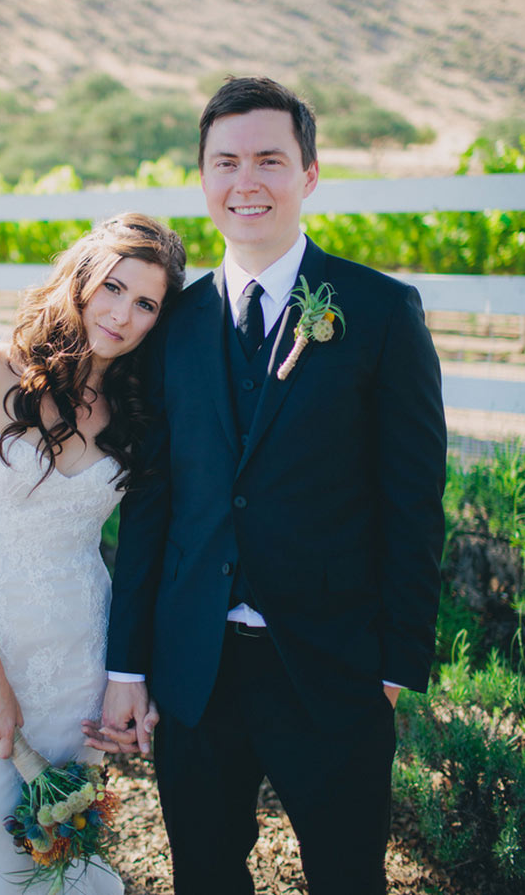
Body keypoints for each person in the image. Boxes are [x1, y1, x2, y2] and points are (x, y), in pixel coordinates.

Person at [93, 78, 447, 895]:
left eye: (268, 160)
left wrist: (396, 663)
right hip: (195, 668)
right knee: (205, 877)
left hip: (333, 666)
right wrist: (128, 664)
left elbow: (411, 498)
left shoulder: (382, 311)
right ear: (204, 178)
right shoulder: (168, 323)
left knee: (347, 877)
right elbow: (154, 501)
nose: (245, 181)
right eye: (225, 162)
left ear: (309, 173)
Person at [0, 212, 186, 895]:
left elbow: (150, 550)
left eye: (146, 303)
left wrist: (129, 677)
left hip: (77, 662)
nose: (123, 313)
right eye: (114, 287)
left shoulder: (137, 412)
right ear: (82, 278)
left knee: (56, 859)